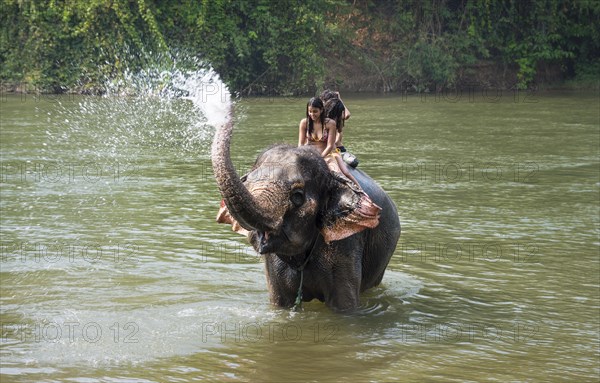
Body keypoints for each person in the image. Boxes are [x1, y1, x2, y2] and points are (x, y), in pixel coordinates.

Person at [298, 97, 361, 186]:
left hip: (328, 154)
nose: (312, 114)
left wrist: (320, 158)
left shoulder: (330, 123)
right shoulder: (304, 123)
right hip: (311, 154)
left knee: (344, 173)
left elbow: (330, 146)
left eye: (315, 111)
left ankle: (360, 191)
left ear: (321, 110)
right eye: (310, 111)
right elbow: (300, 144)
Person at [320, 90, 359, 168]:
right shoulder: (321, 117)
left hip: (338, 149)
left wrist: (340, 100)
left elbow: (347, 115)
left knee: (353, 162)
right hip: (326, 149)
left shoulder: (337, 119)